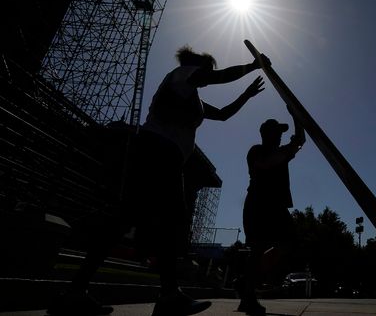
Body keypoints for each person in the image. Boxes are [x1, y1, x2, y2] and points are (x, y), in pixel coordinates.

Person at [48, 45, 267, 316]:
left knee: (129, 219)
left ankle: (76, 291)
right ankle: (168, 295)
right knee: (172, 221)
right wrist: (253, 65)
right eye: (207, 71)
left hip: (162, 155)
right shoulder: (182, 74)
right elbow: (219, 77)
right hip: (158, 152)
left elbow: (221, 114)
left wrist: (246, 94)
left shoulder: (193, 97)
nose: (208, 76)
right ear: (198, 66)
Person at [237, 105, 305, 315]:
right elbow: (265, 164)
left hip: (277, 207)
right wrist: (288, 150)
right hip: (259, 203)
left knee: (289, 243)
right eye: (277, 133)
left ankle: (246, 280)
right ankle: (248, 297)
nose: (279, 137)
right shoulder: (257, 150)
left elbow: (300, 140)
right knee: (257, 248)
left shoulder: (281, 152)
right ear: (268, 134)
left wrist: (297, 117)